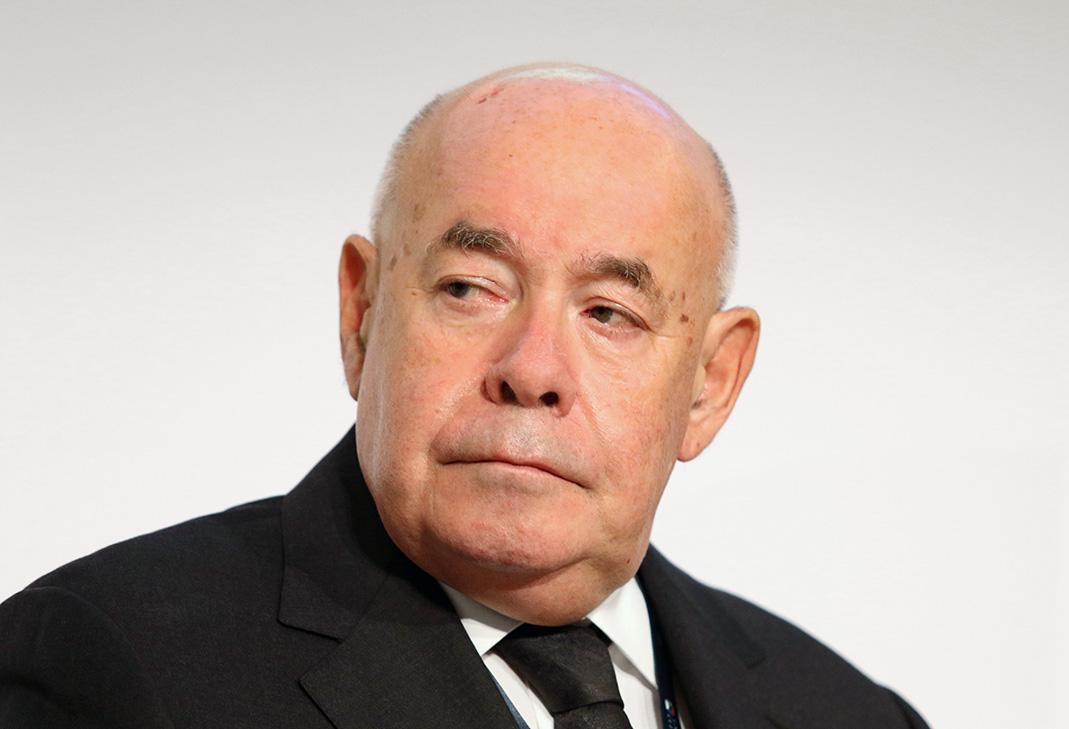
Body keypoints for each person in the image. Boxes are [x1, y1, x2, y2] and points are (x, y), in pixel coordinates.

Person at [0, 63, 929, 729]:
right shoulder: (111, 666)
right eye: (470, 288)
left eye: (609, 312)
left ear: (710, 384)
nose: (533, 369)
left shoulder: (848, 712)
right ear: (362, 313)